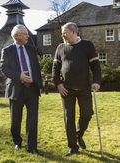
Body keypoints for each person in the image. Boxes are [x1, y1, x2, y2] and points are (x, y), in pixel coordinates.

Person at [52, 22, 101, 156]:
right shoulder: (60, 47)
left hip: (84, 88)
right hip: (66, 90)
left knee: (87, 114)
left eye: (64, 32)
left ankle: (79, 134)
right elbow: (55, 68)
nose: (62, 35)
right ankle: (72, 146)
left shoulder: (87, 45)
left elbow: (96, 66)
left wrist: (97, 82)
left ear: (73, 32)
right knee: (69, 118)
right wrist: (58, 84)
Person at [0, 24, 44, 156]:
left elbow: (36, 68)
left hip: (32, 89)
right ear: (17, 36)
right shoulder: (7, 50)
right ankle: (17, 143)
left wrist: (40, 85)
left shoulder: (31, 49)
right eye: (25, 34)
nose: (28, 36)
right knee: (16, 119)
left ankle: (32, 147)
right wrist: (19, 76)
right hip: (16, 89)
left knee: (32, 118)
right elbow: (4, 69)